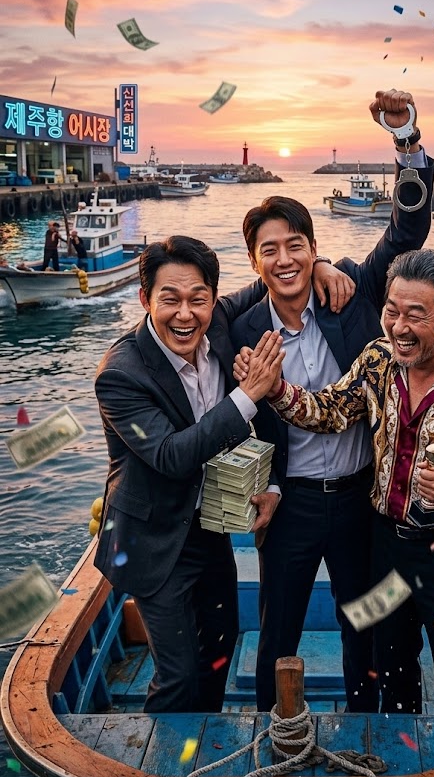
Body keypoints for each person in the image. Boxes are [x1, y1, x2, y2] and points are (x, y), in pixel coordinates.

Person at [251, 249, 434, 716]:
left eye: (415, 315)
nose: (398, 327)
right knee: (391, 666)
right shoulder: (377, 360)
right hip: (383, 546)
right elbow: (332, 411)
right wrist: (277, 389)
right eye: (392, 310)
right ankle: (396, 772)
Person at [231, 88, 434, 713]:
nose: (286, 258)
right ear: (254, 261)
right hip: (287, 504)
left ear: (313, 249)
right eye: (271, 249)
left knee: (364, 630)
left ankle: (364, 733)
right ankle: (273, 735)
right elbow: (188, 319)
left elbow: (409, 228)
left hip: (359, 499)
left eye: (297, 245)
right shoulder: (242, 328)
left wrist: (407, 143)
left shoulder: (356, 294)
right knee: (278, 633)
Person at [94, 235, 350, 714]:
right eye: (169, 299)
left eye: (198, 299)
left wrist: (321, 265)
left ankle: (204, 748)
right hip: (154, 539)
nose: (185, 314)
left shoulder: (223, 326)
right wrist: (248, 395)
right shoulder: (120, 374)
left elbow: (276, 277)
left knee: (218, 651)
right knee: (178, 675)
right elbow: (172, 455)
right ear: (145, 298)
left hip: (210, 526)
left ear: (214, 297)